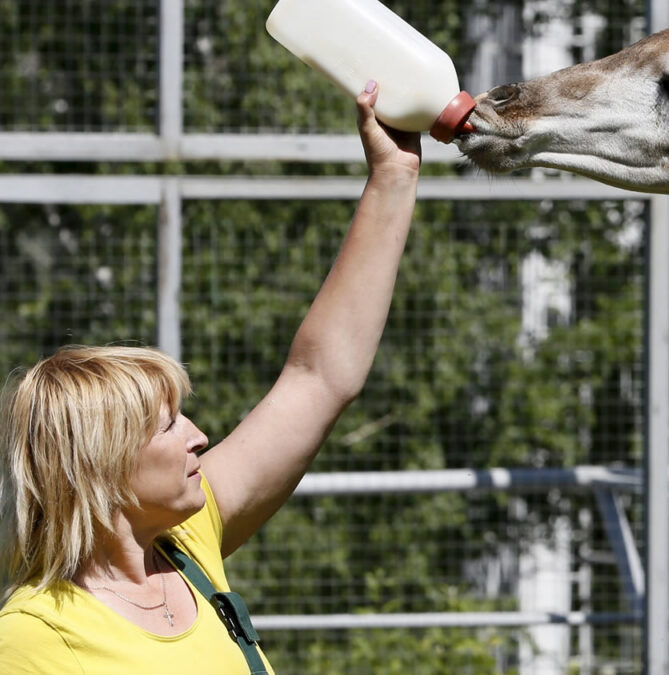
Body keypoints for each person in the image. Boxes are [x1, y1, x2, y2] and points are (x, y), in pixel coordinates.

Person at [0, 81, 420, 674]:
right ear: (101, 463)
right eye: (166, 425)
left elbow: (319, 376)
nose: (198, 436)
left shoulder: (186, 545)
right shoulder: (31, 638)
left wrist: (392, 176)